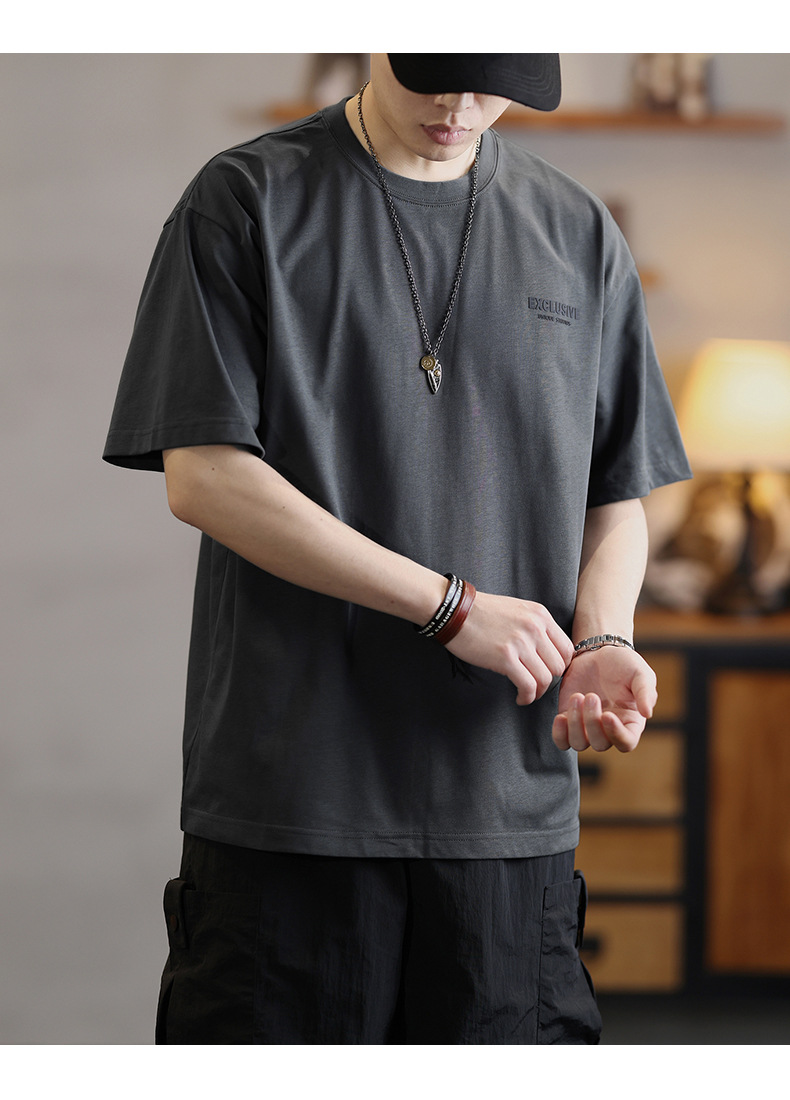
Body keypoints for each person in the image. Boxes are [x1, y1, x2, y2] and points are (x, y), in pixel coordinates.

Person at [103, 53, 691, 1044]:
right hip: (293, 802)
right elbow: (204, 475)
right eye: (432, 77)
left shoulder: (578, 230)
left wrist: (604, 636)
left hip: (507, 812)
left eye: (491, 86)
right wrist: (449, 607)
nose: (458, 107)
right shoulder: (244, 201)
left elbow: (614, 493)